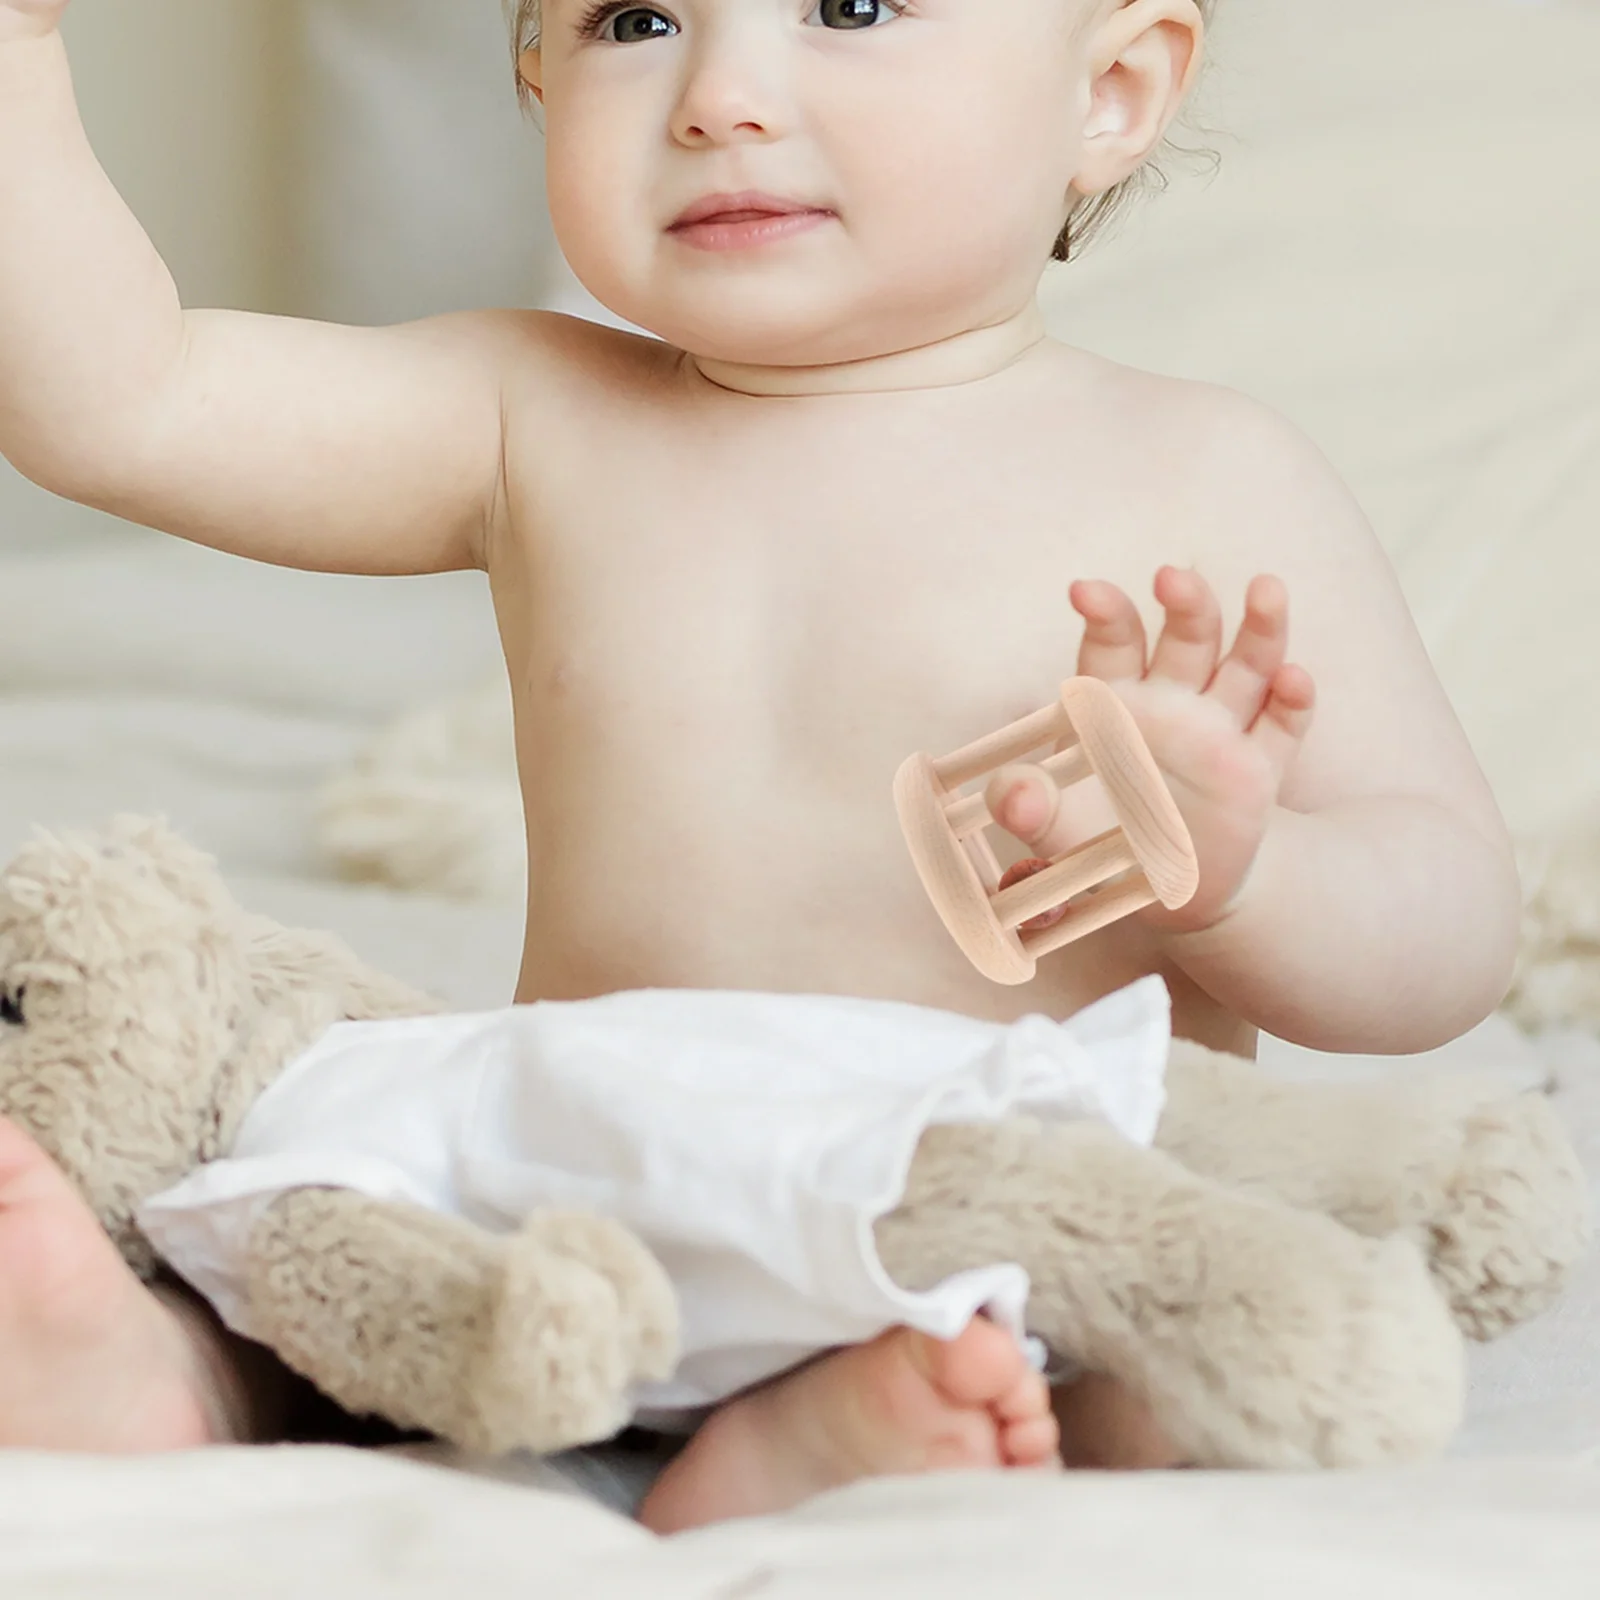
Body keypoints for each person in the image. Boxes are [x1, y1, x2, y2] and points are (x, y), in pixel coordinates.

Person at [0, 0, 1520, 1534]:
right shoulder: (530, 416)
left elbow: (1451, 939)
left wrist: (1246, 880)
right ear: (540, 85)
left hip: (982, 1215)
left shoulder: (1208, 472)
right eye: (634, 19)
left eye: (849, 6)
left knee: (1157, 1342)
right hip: (604, 1210)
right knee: (329, 1211)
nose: (720, 95)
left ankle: (852, 1427)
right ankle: (178, 1381)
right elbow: (124, 404)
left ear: (1111, 92)